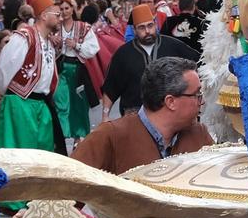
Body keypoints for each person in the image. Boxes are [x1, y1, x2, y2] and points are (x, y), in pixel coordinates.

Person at [72, 56, 213, 174]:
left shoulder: (199, 135)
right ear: (170, 102)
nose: (202, 101)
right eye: (196, 94)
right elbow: (63, 192)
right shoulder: (110, 136)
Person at [0, 0, 94, 155]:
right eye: (57, 15)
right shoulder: (23, 38)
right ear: (43, 15)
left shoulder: (47, 41)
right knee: (21, 153)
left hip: (42, 103)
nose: (61, 18)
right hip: (20, 102)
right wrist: (10, 97)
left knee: (44, 152)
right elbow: (5, 69)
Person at [101, 4, 199, 116]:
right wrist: (105, 116)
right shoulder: (123, 54)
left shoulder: (173, 45)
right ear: (134, 30)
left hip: (171, 111)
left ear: (155, 24)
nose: (147, 31)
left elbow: (197, 66)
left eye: (150, 25)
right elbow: (110, 88)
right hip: (135, 114)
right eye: (142, 27)